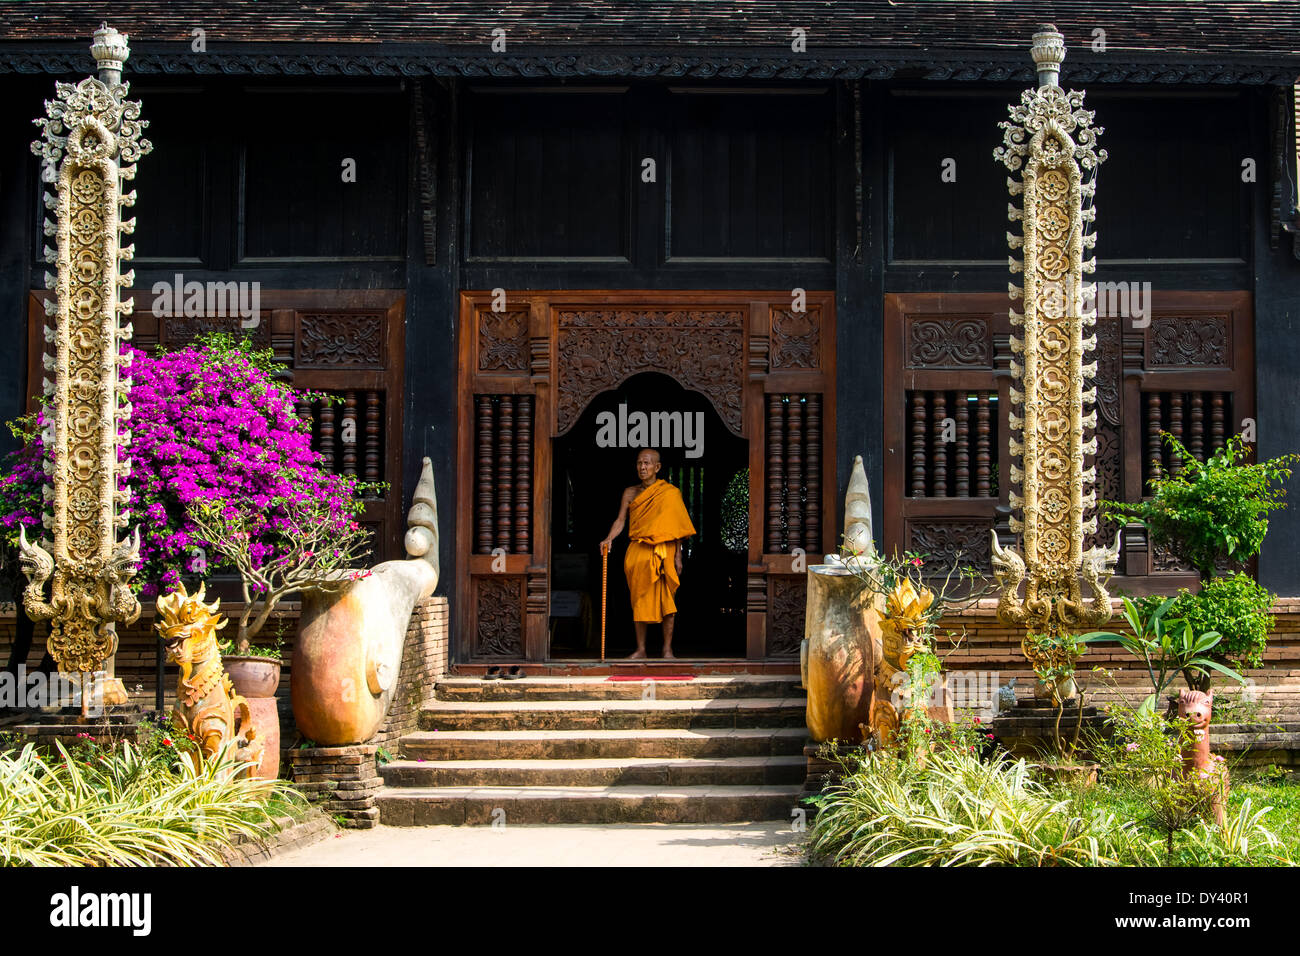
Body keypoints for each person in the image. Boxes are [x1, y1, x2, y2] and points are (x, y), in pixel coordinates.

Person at [599, 449, 696, 659]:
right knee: (639, 599)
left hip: (664, 551)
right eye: (639, 463)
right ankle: (641, 649)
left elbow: (676, 527)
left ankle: (667, 649)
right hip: (638, 550)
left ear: (657, 467)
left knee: (667, 602)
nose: (642, 467)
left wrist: (678, 556)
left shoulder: (670, 493)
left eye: (647, 463)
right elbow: (620, 521)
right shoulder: (630, 492)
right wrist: (609, 538)